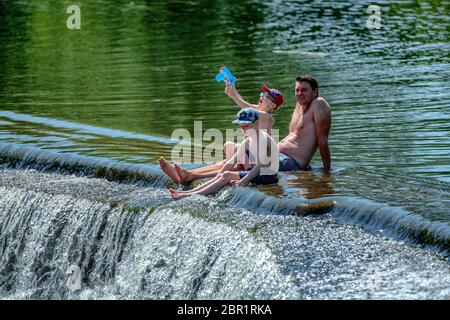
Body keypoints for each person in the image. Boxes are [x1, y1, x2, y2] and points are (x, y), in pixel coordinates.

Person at [162, 75, 332, 183]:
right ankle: (189, 174)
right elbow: (254, 109)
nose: (299, 93)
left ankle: (191, 175)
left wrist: (326, 173)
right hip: (278, 154)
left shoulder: (319, 104)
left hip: (291, 161)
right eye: (297, 90)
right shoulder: (299, 106)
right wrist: (234, 94)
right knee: (233, 161)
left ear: (315, 91)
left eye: (304, 90)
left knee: (238, 163)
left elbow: (322, 140)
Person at [160, 81, 284, 183]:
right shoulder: (258, 111)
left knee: (231, 161)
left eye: (265, 96)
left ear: (272, 106)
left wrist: (234, 94)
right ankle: (189, 174)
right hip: (251, 154)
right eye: (262, 94)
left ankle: (191, 175)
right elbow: (245, 105)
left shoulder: (268, 117)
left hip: (258, 160)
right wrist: (232, 92)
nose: (261, 96)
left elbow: (245, 108)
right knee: (228, 149)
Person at [170, 108, 278, 199]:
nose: (243, 129)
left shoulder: (263, 140)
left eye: (247, 126)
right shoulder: (248, 140)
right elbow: (231, 162)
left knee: (226, 175)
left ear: (256, 123)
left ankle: (191, 195)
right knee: (223, 174)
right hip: (255, 172)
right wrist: (217, 176)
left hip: (267, 176)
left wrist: (243, 181)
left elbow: (259, 167)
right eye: (241, 126)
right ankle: (187, 192)